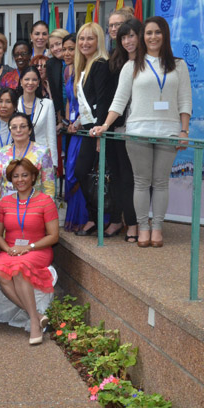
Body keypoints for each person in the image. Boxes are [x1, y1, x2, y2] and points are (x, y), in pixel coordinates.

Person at [94, 16, 192, 248]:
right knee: (140, 182)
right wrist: (106, 125)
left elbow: (185, 100)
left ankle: (157, 227)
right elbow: (119, 100)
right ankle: (143, 227)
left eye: (157, 32)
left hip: (168, 132)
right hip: (137, 131)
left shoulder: (179, 65)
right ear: (143, 37)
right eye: (148, 33)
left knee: (160, 182)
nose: (153, 37)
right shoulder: (131, 65)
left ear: (165, 35)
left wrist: (184, 130)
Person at [0, 158, 59, 345]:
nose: (20, 179)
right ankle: (36, 315)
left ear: (33, 177)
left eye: (24, 175)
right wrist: (8, 249)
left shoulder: (45, 201)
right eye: (16, 176)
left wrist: (28, 247)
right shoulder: (4, 202)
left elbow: (53, 236)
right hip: (10, 249)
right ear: (11, 179)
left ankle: (35, 325)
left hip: (38, 249)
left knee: (19, 269)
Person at [68, 23, 119, 238]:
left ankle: (108, 219)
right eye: (81, 38)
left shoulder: (99, 64)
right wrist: (78, 122)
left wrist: (101, 134)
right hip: (89, 129)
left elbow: (103, 101)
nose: (84, 43)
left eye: (90, 38)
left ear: (99, 41)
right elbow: (87, 103)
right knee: (83, 173)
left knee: (102, 176)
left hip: (100, 131)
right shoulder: (85, 65)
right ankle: (94, 218)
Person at [103, 18, 144, 242]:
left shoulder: (148, 62)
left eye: (132, 36)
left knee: (134, 179)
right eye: (124, 37)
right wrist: (107, 125)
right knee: (118, 178)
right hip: (116, 128)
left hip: (139, 129)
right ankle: (126, 220)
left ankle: (136, 224)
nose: (128, 41)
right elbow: (115, 98)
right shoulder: (116, 61)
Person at [0, 112, 55, 202]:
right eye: (14, 127)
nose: (18, 130)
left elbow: (49, 186)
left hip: (35, 205)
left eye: (23, 126)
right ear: (10, 131)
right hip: (7, 205)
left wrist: (48, 208)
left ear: (29, 130)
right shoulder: (2, 152)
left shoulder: (42, 152)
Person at [62, 34, 89, 233]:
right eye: (65, 49)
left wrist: (78, 122)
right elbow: (70, 100)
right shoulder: (68, 71)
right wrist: (68, 122)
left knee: (79, 173)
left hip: (85, 129)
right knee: (70, 173)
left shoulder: (86, 70)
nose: (67, 53)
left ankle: (86, 218)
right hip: (72, 129)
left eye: (71, 48)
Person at [16, 66, 58, 163]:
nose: (30, 83)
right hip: (18, 156)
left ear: (39, 82)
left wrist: (54, 163)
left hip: (41, 157)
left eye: (34, 80)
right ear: (21, 81)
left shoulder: (47, 104)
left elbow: (51, 136)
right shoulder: (14, 103)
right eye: (27, 79)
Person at [46, 28, 70, 124]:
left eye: (58, 44)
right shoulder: (51, 64)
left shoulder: (78, 61)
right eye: (52, 46)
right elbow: (55, 93)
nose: (55, 49)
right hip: (63, 115)